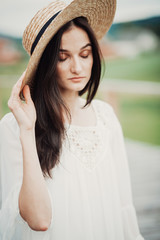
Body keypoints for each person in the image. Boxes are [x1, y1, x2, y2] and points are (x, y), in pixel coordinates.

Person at [0, 0, 144, 239]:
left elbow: (123, 207)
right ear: (46, 63)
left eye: (85, 54)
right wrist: (27, 130)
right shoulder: (14, 126)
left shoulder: (105, 117)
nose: (78, 67)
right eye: (63, 57)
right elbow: (39, 220)